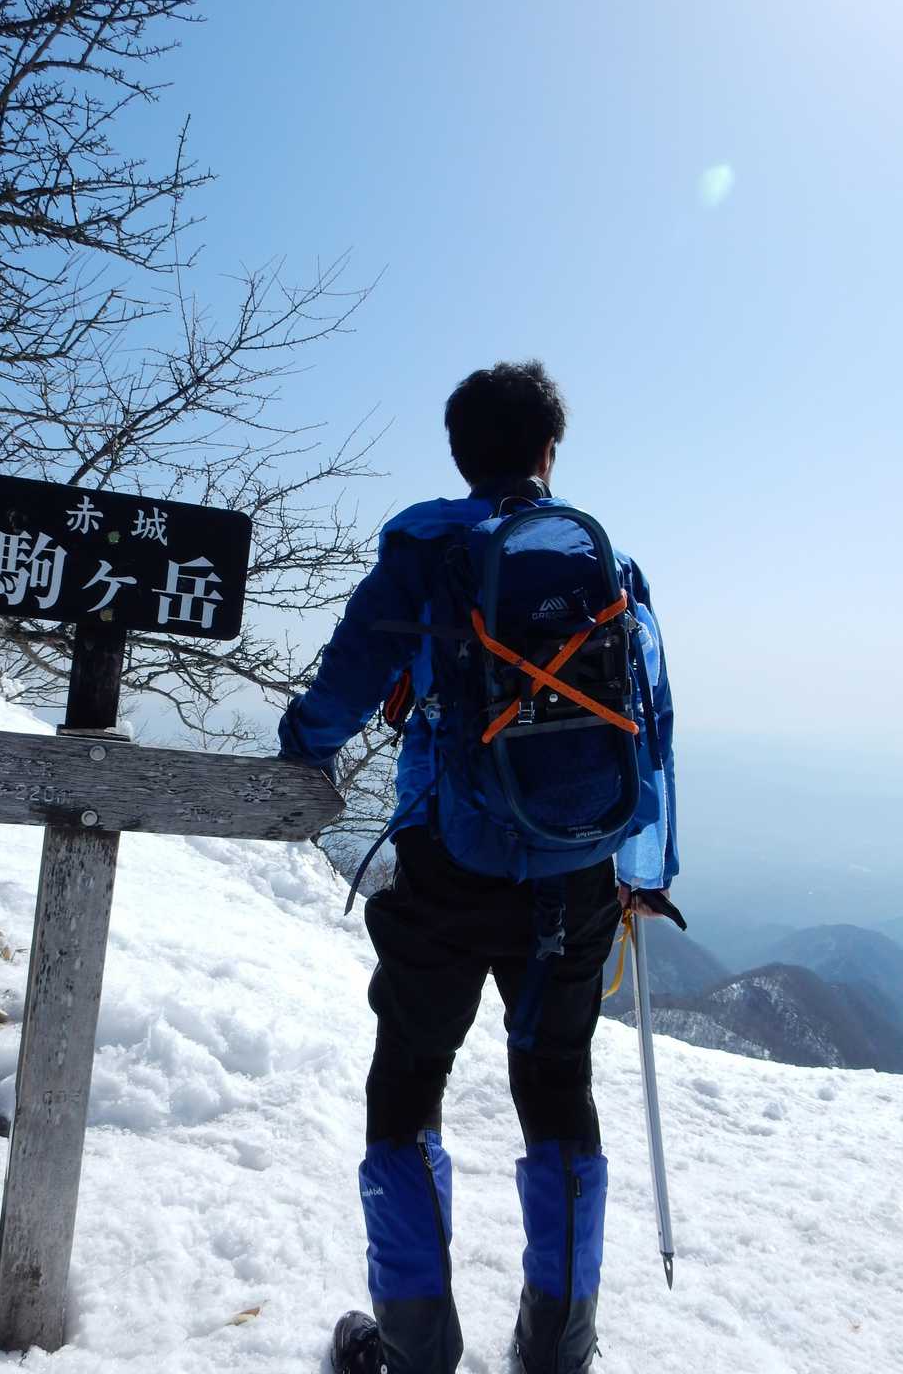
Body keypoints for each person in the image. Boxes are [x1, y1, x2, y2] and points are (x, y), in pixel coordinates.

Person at [278, 360, 678, 1374]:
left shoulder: (428, 549)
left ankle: (415, 1352)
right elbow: (651, 727)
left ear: (460, 455)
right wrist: (645, 866)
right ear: (550, 452)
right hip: (577, 875)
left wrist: (301, 747)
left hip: (447, 871)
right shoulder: (607, 566)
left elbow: (349, 679)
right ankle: (558, 1351)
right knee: (558, 1091)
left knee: (409, 1086)